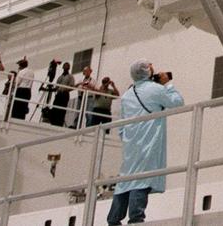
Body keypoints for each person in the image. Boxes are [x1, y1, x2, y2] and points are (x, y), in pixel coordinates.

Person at [107, 61, 183, 225]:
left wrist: (128, 140)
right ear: (148, 73)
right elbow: (177, 102)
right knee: (141, 179)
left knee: (126, 179)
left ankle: (113, 219)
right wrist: (168, 84)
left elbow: (121, 124)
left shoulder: (127, 95)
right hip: (148, 140)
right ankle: (136, 219)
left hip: (131, 143)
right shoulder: (155, 89)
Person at [50, 62, 75, 127]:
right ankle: (53, 122)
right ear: (63, 67)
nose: (66, 67)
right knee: (55, 108)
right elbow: (56, 87)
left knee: (62, 109)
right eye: (65, 66)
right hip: (58, 94)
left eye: (67, 66)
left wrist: (65, 89)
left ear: (69, 68)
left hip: (65, 95)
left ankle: (59, 123)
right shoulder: (60, 77)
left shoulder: (70, 77)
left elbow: (72, 87)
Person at [73, 64, 97, 129]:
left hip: (89, 98)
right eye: (84, 71)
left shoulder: (93, 80)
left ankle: (88, 128)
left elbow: (96, 90)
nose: (85, 72)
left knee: (88, 113)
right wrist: (79, 84)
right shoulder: (81, 80)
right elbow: (74, 87)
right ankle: (76, 126)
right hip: (80, 97)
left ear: (90, 72)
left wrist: (89, 86)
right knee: (78, 112)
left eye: (87, 71)